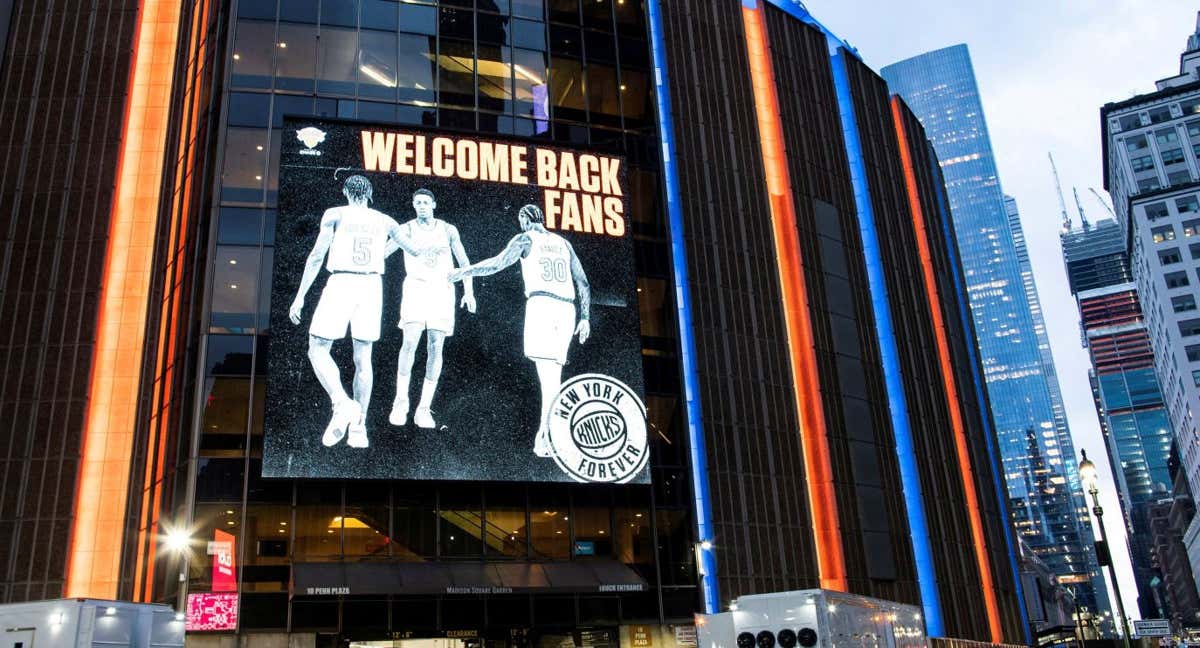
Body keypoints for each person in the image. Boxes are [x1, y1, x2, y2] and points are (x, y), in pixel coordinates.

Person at [448, 204, 589, 457]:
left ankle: (546, 437)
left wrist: (464, 271)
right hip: (568, 310)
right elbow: (584, 283)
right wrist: (586, 318)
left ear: (524, 219)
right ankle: (547, 436)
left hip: (542, 305)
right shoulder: (564, 243)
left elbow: (496, 264)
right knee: (552, 376)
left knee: (549, 379)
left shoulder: (525, 238)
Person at [288, 175, 417, 449]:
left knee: (318, 348)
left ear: (346, 192)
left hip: (342, 281)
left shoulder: (335, 213)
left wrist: (300, 296)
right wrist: (398, 233)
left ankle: (342, 402)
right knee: (363, 357)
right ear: (370, 195)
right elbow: (413, 249)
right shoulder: (385, 220)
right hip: (372, 285)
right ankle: (359, 428)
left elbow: (316, 256)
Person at [390, 188, 476, 429]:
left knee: (436, 346)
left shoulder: (448, 230)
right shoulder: (405, 229)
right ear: (413, 205)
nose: (421, 206)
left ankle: (424, 408)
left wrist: (469, 291)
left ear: (434, 205)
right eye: (417, 202)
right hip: (416, 287)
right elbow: (384, 252)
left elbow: (464, 263)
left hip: (442, 290)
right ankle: (401, 400)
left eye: (426, 202)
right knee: (410, 342)